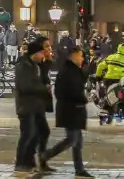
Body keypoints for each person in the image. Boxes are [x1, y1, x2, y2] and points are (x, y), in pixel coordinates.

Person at [38, 45, 93, 177]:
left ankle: (79, 170)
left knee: (77, 142)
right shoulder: (68, 72)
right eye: (80, 55)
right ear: (73, 56)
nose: (82, 58)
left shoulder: (73, 70)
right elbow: (70, 91)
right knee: (72, 140)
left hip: (74, 110)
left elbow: (82, 79)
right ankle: (46, 155)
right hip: (71, 110)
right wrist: (83, 99)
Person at [14, 38, 53, 173]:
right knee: (28, 134)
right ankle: (21, 162)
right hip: (26, 106)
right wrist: (44, 88)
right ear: (35, 53)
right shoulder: (24, 65)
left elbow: (42, 77)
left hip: (36, 106)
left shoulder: (35, 65)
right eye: (42, 52)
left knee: (41, 132)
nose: (44, 54)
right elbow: (26, 86)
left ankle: (31, 161)